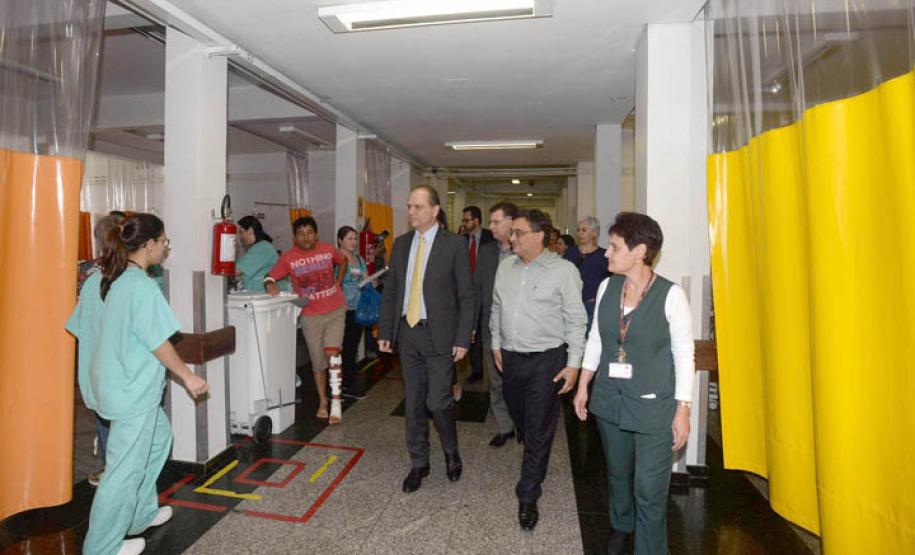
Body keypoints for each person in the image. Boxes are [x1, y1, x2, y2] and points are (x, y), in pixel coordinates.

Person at [66, 213, 208, 555]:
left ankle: (140, 514)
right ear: (149, 244)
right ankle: (102, 546)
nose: (165, 248)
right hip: (132, 393)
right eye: (164, 242)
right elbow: (159, 342)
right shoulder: (141, 286)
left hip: (112, 386)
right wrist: (188, 376)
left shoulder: (99, 277)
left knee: (160, 438)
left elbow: (81, 328)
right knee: (121, 473)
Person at [573, 212, 694, 555]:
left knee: (648, 488)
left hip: (655, 407)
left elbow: (685, 356)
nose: (606, 253)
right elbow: (596, 340)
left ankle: (650, 549)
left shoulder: (671, 296)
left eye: (614, 246)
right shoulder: (606, 287)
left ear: (640, 251)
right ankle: (621, 524)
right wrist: (584, 385)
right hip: (611, 400)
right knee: (616, 474)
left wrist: (682, 410)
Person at [490, 208, 587, 531]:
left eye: (517, 232)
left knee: (538, 427)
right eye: (511, 232)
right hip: (512, 358)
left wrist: (574, 364)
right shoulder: (505, 268)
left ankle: (528, 493)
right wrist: (495, 342)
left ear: (538, 236)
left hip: (547, 359)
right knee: (522, 418)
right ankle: (531, 440)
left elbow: (576, 320)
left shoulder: (564, 271)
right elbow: (497, 307)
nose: (511, 237)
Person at [378, 185, 474, 493]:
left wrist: (462, 337)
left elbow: (466, 295)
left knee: (438, 400)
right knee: (414, 403)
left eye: (418, 207)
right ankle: (419, 463)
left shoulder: (454, 245)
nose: (411, 212)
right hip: (408, 334)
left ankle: (451, 452)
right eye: (409, 206)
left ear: (434, 211)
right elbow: (392, 290)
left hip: (441, 335)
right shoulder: (402, 244)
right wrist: (385, 330)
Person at [264, 216, 348, 422]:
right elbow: (269, 276)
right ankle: (323, 401)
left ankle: (336, 402)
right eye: (300, 233)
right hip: (310, 316)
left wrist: (338, 282)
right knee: (318, 363)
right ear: (294, 237)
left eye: (309, 232)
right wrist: (270, 285)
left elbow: (343, 261)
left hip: (335, 309)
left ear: (316, 234)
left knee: (333, 353)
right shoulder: (289, 258)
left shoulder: (328, 249)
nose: (305, 237)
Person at [76, 213, 124, 487]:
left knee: (106, 418)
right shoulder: (133, 278)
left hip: (99, 366)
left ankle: (110, 468)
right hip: (124, 368)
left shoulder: (89, 276)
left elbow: (78, 323)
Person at [472, 201, 518, 447]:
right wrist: (471, 325)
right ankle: (505, 426)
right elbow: (477, 289)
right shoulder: (487, 251)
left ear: (512, 222)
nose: (491, 226)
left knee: (519, 381)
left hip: (521, 330)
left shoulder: (524, 250)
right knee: (497, 381)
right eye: (490, 222)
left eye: (496, 222)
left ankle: (522, 424)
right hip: (492, 327)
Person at [461, 205, 493, 384]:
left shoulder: (490, 239)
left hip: (485, 291)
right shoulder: (461, 240)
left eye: (467, 220)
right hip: (467, 292)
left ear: (476, 220)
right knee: (470, 332)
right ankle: (476, 370)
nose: (463, 223)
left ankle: (493, 370)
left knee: (484, 332)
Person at [337, 225, 368, 400]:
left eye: (355, 238)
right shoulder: (337, 259)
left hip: (358, 308)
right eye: (349, 238)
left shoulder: (359, 259)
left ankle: (348, 383)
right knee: (342, 348)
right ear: (340, 240)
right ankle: (340, 385)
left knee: (352, 347)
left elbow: (364, 278)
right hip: (342, 309)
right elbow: (335, 282)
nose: (354, 242)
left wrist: (370, 282)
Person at [576, 216, 610, 326]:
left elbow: (608, 282)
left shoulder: (604, 256)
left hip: (592, 306)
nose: (580, 233)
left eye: (584, 230)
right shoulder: (570, 253)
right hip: (572, 304)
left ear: (594, 233)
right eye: (578, 230)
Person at [235, 215, 280, 293]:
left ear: (250, 231)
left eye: (241, 232)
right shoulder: (260, 247)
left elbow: (236, 270)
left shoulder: (262, 248)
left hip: (269, 296)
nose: (240, 237)